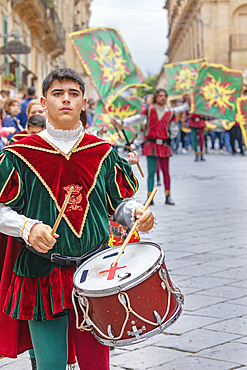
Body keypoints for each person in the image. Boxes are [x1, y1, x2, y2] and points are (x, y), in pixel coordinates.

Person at [0, 68, 155, 370]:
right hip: (42, 271)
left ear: (84, 102)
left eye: (73, 94)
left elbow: (117, 205)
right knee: (50, 365)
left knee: (97, 365)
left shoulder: (102, 152)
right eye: (58, 94)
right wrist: (27, 227)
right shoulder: (19, 154)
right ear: (43, 102)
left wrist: (135, 213)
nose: (66, 100)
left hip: (96, 271)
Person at [112, 88, 189, 206]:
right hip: (151, 145)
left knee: (166, 172)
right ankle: (150, 197)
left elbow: (174, 130)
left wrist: (168, 136)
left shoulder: (171, 113)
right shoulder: (148, 111)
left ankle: (168, 196)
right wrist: (122, 122)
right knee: (151, 171)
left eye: (164, 95)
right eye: (160, 95)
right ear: (155, 97)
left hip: (164, 145)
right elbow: (136, 119)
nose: (162, 98)